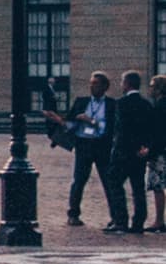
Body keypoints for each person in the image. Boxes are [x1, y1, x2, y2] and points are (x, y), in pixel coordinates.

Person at [64, 72, 115, 225]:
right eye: (91, 83)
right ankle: (73, 214)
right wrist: (63, 122)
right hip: (83, 145)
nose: (92, 87)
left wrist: (91, 121)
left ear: (105, 87)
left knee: (108, 181)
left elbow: (111, 127)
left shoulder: (112, 104)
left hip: (102, 146)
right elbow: (70, 122)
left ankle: (115, 216)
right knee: (78, 181)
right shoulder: (81, 102)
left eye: (96, 84)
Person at [107, 72, 150, 237]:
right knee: (138, 188)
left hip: (123, 152)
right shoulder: (146, 104)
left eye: (122, 82)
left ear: (127, 84)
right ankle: (138, 222)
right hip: (139, 153)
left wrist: (116, 150)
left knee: (115, 183)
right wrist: (144, 147)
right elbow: (149, 129)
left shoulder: (122, 103)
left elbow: (121, 129)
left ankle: (121, 221)